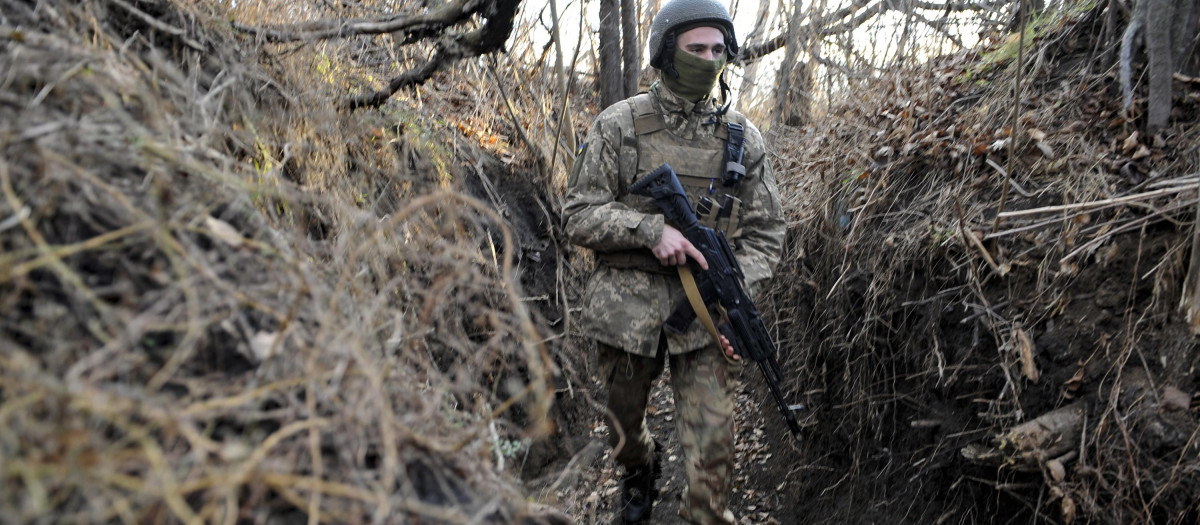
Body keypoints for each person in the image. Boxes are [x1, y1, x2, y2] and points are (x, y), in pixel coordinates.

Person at [562, 0, 786, 523]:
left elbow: (767, 232)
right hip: (626, 308)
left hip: (706, 312)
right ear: (666, 53)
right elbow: (578, 214)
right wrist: (650, 231)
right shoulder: (620, 125)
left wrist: (734, 291)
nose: (708, 60)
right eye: (695, 49)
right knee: (622, 428)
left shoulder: (743, 140)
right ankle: (640, 467)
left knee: (713, 449)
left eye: (717, 50)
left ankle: (705, 513)